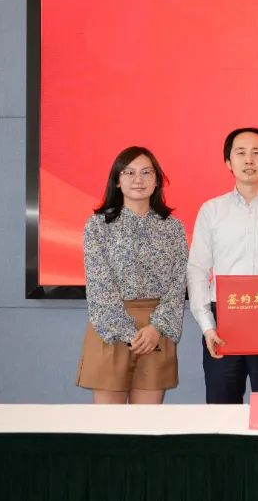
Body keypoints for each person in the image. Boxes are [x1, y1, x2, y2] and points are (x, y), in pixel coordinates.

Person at [187, 127, 258, 404]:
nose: (249, 160)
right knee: (221, 413)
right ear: (228, 162)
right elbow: (198, 269)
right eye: (240, 153)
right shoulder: (211, 210)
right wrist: (208, 325)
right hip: (222, 326)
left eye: (256, 153)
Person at [77, 146, 187, 404]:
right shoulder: (98, 226)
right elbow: (99, 284)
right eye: (129, 172)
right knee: (109, 425)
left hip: (156, 332)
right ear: (117, 180)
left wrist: (156, 328)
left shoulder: (172, 227)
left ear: (157, 180)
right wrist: (128, 333)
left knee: (147, 424)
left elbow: (178, 283)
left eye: (147, 172)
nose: (139, 179)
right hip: (110, 329)